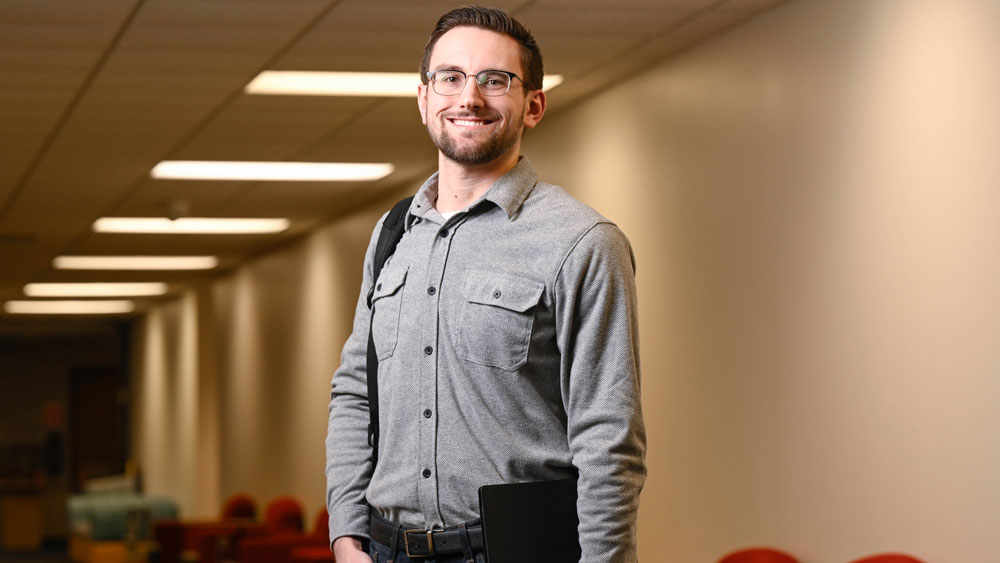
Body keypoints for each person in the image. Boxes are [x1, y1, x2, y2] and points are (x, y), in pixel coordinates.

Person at [326, 6, 646, 563]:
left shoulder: (583, 241)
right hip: (385, 551)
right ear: (424, 97)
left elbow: (609, 441)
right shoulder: (393, 234)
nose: (468, 98)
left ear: (534, 105)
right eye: (450, 78)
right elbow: (355, 391)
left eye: (494, 81)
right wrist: (346, 534)